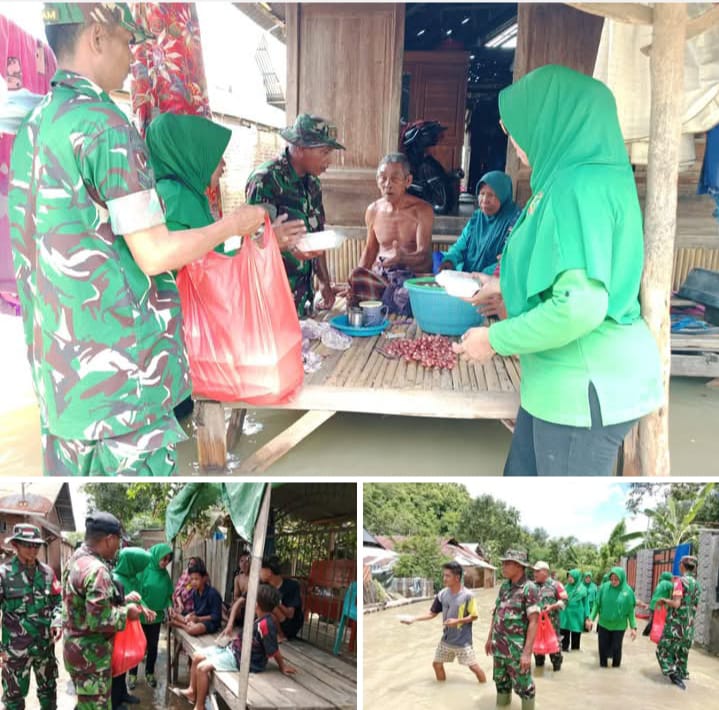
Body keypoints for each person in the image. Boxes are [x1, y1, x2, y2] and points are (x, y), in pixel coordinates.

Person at [8, 3, 266, 476]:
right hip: (122, 391)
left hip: (62, 390)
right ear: (97, 38)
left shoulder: (34, 128)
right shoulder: (105, 126)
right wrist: (234, 225)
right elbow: (154, 253)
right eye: (127, 41)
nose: (132, 55)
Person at [453, 64, 663, 476]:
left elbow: (579, 307)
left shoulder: (576, 189)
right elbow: (573, 274)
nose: (516, 147)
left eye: (519, 133)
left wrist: (494, 339)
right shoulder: (593, 177)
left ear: (551, 123)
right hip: (561, 385)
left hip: (582, 389)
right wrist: (499, 285)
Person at [245, 113, 345, 316]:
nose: (329, 160)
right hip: (271, 300)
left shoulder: (313, 184)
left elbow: (317, 236)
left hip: (303, 299)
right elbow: (251, 242)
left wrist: (325, 282)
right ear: (299, 148)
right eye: (324, 152)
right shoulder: (265, 180)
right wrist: (287, 247)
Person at [63, 512, 145, 709]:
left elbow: (81, 604)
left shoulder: (74, 561)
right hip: (91, 656)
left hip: (75, 650)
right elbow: (98, 620)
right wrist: (128, 612)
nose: (119, 547)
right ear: (109, 539)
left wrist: (120, 600)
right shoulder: (97, 569)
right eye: (118, 541)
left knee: (86, 703)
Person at [175, 584, 295, 710]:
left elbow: (273, 648)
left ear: (256, 604)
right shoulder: (260, 617)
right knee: (196, 656)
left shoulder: (266, 624)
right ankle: (192, 692)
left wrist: (282, 665)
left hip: (242, 660)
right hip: (234, 650)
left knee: (202, 668)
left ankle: (200, 706)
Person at [347, 153, 434, 314]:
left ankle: (384, 301)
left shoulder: (422, 210)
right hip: (382, 278)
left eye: (394, 179)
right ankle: (386, 299)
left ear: (408, 181)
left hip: (410, 279)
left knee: (412, 296)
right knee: (356, 276)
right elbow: (370, 250)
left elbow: (425, 260)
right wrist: (353, 284)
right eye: (382, 178)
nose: (387, 184)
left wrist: (403, 258)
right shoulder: (373, 210)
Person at [0, 524, 62, 710]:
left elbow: (57, 601)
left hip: (44, 647)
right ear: (16, 545)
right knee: (14, 699)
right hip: (16, 651)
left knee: (49, 694)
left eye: (36, 545)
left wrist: (57, 621)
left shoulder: (48, 573)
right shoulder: (4, 574)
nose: (32, 549)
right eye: (27, 545)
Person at [400, 561, 487, 684]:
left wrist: (457, 621)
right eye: (444, 575)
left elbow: (474, 616)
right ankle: (441, 687)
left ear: (457, 578)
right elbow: (432, 613)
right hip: (446, 639)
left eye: (447, 576)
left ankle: (483, 686)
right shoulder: (442, 594)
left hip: (463, 641)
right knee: (437, 664)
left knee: (474, 667)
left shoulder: (468, 596)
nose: (444, 578)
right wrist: (414, 619)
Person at [485, 550, 539, 710]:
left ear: (519, 566)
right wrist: (489, 639)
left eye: (507, 563)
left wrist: (527, 653)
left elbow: (534, 621)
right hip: (499, 647)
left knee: (525, 688)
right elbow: (497, 613)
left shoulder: (529, 588)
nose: (503, 566)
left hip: (516, 650)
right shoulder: (504, 587)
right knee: (501, 683)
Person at [439, 171, 520, 276]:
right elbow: (461, 245)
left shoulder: (514, 222)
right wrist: (449, 260)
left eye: (491, 195)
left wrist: (482, 276)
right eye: (482, 194)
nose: (485, 200)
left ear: (503, 196)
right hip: (469, 280)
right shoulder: (477, 218)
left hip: (495, 284)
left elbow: (509, 259)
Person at [110, 547, 153, 709]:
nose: (140, 570)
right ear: (131, 564)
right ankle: (115, 702)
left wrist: (144, 607)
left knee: (124, 664)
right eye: (138, 565)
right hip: (118, 629)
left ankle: (122, 694)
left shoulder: (131, 578)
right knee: (116, 666)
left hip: (127, 628)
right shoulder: (115, 578)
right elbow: (115, 604)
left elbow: (137, 598)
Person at [130, 543, 174, 689]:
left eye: (168, 560)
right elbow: (135, 592)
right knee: (137, 647)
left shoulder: (165, 575)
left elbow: (168, 595)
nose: (165, 563)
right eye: (163, 559)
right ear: (156, 556)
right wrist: (144, 608)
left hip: (156, 618)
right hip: (141, 615)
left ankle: (149, 673)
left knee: (153, 647)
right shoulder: (143, 571)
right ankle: (132, 675)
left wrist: (169, 605)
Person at [655, 555, 701, 689]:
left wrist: (664, 600)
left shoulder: (679, 582)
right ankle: (681, 680)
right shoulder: (697, 585)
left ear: (682, 565)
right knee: (681, 656)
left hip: (676, 627)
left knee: (662, 651)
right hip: (689, 629)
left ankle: (674, 677)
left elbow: (676, 603)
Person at [589, 566, 637, 668]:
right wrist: (591, 619)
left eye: (616, 579)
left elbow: (630, 612)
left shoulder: (628, 592)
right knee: (602, 648)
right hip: (603, 624)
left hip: (619, 626)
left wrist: (633, 628)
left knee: (616, 648)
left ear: (622, 578)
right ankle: (603, 669)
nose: (613, 581)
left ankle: (616, 669)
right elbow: (597, 604)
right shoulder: (604, 588)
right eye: (612, 579)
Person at [532, 561, 567, 672]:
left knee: (555, 657)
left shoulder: (556, 585)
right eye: (534, 571)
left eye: (537, 571)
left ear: (545, 572)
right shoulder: (532, 586)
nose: (535, 573)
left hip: (552, 627)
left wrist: (552, 606)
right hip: (536, 628)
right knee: (538, 658)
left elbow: (565, 601)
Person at [170, 561, 222, 636]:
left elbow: (216, 616)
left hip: (210, 622)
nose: (193, 582)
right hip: (198, 619)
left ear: (204, 578)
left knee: (193, 630)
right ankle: (187, 624)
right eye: (191, 579)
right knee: (174, 615)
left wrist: (198, 619)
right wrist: (191, 615)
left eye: (196, 579)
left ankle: (180, 625)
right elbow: (197, 610)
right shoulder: (195, 592)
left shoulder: (213, 593)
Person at [259, 556, 303, 641]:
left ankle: (281, 636)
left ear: (269, 572)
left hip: (290, 627)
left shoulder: (292, 586)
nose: (259, 572)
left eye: (261, 569)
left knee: (272, 607)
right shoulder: (265, 586)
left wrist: (276, 603)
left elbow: (290, 614)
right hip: (274, 622)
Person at [559, 569, 589, 652]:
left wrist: (587, 617)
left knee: (575, 645)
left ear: (576, 577)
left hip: (577, 617)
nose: (570, 579)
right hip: (565, 616)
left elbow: (586, 604)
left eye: (572, 577)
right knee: (563, 645)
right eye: (568, 577)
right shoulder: (564, 588)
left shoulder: (582, 589)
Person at [640, 571, 674, 636]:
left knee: (653, 619)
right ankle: (646, 633)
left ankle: (648, 633)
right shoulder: (668, 583)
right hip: (658, 604)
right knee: (654, 620)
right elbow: (672, 590)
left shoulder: (660, 583)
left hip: (653, 604)